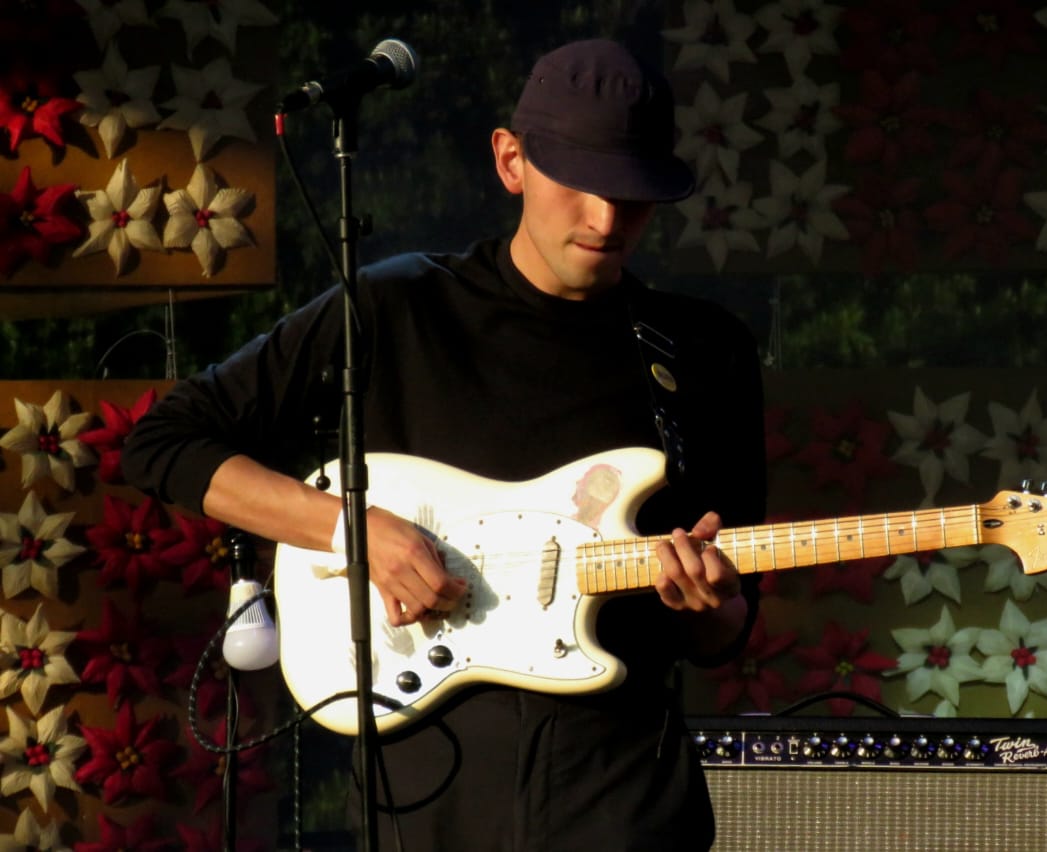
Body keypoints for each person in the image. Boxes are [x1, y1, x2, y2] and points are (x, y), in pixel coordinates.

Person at [122, 38, 766, 851]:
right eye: (580, 185)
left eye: (633, 194)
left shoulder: (704, 352)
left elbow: (725, 632)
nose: (607, 220)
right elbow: (164, 442)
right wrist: (349, 530)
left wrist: (711, 602)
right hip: (425, 790)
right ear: (510, 160)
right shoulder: (397, 306)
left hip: (623, 796)